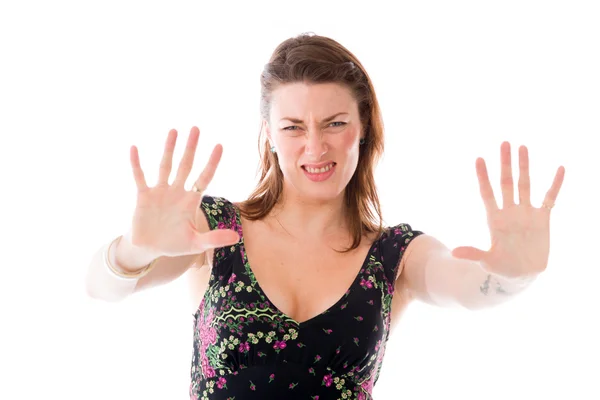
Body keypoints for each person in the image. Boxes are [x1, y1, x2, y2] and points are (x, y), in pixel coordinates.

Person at [85, 33, 566, 400]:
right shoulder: (212, 231)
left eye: (335, 123)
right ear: (270, 135)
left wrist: (516, 274)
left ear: (363, 129)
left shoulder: (394, 255)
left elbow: (469, 288)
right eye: (294, 127)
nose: (315, 147)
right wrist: (133, 250)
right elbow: (100, 288)